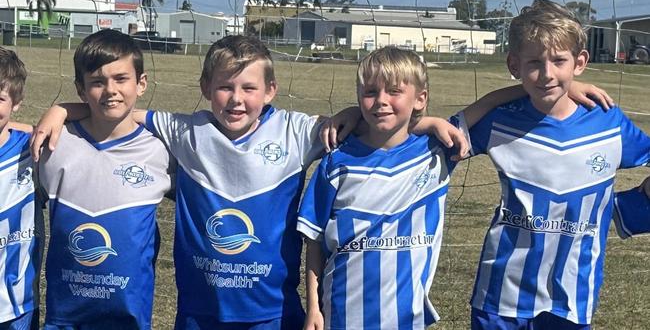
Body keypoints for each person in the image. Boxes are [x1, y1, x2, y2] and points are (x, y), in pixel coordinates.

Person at [30, 35, 469, 329]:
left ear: (272, 90)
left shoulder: (299, 132)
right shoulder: (187, 130)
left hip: (272, 313)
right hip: (200, 312)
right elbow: (116, 109)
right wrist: (62, 111)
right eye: (224, 87)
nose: (236, 99)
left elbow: (377, 123)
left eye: (249, 87)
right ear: (205, 87)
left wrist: (422, 122)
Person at [297, 46, 612, 330]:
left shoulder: (436, 150)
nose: (381, 100)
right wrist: (313, 307)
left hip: (406, 316)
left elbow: (486, 103)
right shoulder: (336, 162)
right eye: (370, 92)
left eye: (394, 91)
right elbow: (315, 242)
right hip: (340, 310)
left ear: (420, 99)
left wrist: (563, 86)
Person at [451, 0, 650, 329]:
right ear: (514, 65)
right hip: (501, 298)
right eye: (534, 64)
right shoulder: (499, 121)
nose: (546, 74)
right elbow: (427, 143)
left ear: (580, 62)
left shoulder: (608, 123)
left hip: (572, 298)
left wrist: (627, 206)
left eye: (559, 61)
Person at [38, 29, 173, 329]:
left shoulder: (162, 150)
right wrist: (58, 110)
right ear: (81, 90)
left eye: (121, 79)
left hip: (129, 318)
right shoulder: (53, 143)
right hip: (65, 318)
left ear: (141, 84)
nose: (110, 90)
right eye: (97, 82)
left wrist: (61, 109)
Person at [0, 47, 42, 330]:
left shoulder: (33, 149)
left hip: (17, 305)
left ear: (16, 102)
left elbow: (94, 116)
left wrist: (59, 113)